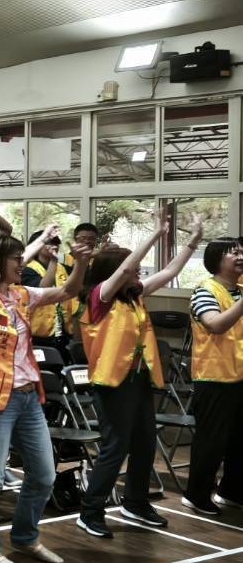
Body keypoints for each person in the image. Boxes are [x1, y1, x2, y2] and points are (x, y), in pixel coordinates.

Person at [0, 232, 91, 563]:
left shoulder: (21, 294)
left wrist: (82, 263)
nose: (23, 263)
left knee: (44, 474)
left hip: (28, 395)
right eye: (16, 258)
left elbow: (68, 291)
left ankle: (25, 536)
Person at [75, 206, 203, 538]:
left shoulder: (134, 297)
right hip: (112, 383)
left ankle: (135, 502)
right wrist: (156, 234)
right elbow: (127, 267)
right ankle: (90, 512)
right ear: (117, 273)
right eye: (132, 272)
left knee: (145, 442)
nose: (138, 275)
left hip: (139, 379)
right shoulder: (98, 298)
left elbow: (171, 269)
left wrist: (193, 241)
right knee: (115, 447)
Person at [185, 238, 243, 516]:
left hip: (239, 375)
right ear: (216, 260)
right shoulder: (204, 290)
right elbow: (215, 325)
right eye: (234, 253)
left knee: (239, 440)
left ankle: (231, 491)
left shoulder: (240, 290)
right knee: (213, 441)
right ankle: (196, 495)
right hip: (214, 377)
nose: (241, 256)